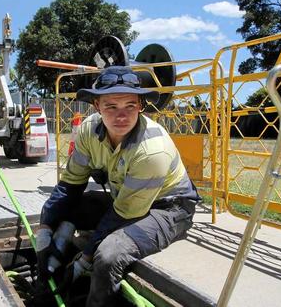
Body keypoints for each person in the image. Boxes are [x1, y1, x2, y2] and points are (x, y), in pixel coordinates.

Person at [36, 65, 200, 306]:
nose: (121, 116)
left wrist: (84, 260)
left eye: (130, 106)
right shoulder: (88, 131)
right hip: (127, 200)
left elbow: (122, 215)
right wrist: (45, 231)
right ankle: (54, 259)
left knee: (109, 254)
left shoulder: (151, 150)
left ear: (140, 106)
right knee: (67, 209)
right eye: (111, 106)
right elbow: (69, 186)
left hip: (169, 210)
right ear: (97, 107)